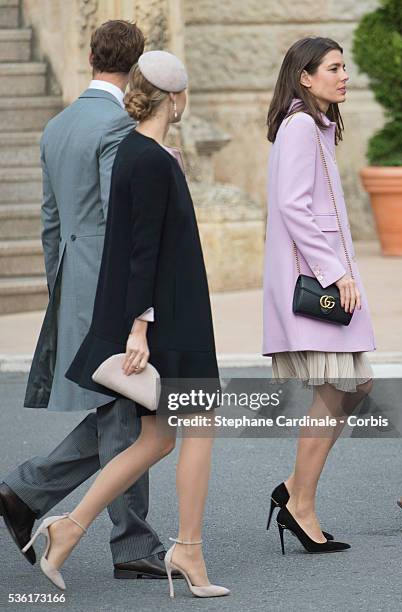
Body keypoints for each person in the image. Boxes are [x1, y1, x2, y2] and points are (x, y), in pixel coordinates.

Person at [22, 50, 229, 600]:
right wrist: (139, 328)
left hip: (164, 312)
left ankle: (66, 529)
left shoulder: (142, 152)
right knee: (200, 428)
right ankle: (189, 549)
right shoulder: (151, 159)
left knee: (157, 439)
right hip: (172, 316)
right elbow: (141, 249)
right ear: (176, 98)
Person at [0, 20, 172, 579]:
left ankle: (32, 497)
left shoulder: (57, 125)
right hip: (113, 286)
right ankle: (124, 541)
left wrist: (61, 287)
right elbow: (122, 216)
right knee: (130, 406)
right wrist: (136, 307)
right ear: (138, 64)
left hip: (76, 280)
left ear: (92, 58)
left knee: (122, 409)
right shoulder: (120, 126)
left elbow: (50, 221)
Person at [262, 37, 375, 553]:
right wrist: (334, 273)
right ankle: (301, 505)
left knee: (353, 387)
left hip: (330, 277)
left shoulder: (317, 126)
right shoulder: (301, 125)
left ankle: (293, 490)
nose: (344, 75)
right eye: (334, 67)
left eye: (344, 67)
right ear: (305, 77)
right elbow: (292, 207)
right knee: (337, 388)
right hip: (321, 283)